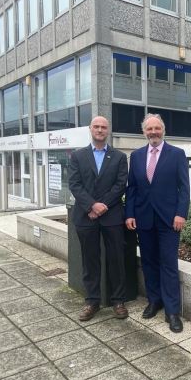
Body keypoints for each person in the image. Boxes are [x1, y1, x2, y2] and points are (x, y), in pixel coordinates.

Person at [125, 113, 190, 333]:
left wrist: (181, 213)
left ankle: (172, 311)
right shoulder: (136, 156)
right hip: (143, 219)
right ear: (144, 132)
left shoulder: (177, 154)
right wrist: (129, 213)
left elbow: (184, 188)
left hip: (169, 220)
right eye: (149, 129)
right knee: (149, 262)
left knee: (169, 265)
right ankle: (155, 301)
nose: (153, 132)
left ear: (163, 130)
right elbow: (131, 188)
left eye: (157, 128)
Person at [69, 116, 129, 321]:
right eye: (97, 126)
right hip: (86, 216)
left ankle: (118, 300)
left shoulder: (119, 157)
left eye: (104, 127)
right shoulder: (78, 156)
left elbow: (120, 185)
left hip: (111, 216)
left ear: (108, 130)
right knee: (90, 260)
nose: (100, 130)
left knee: (116, 259)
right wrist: (92, 205)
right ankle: (92, 301)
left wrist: (101, 206)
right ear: (90, 129)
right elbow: (75, 184)